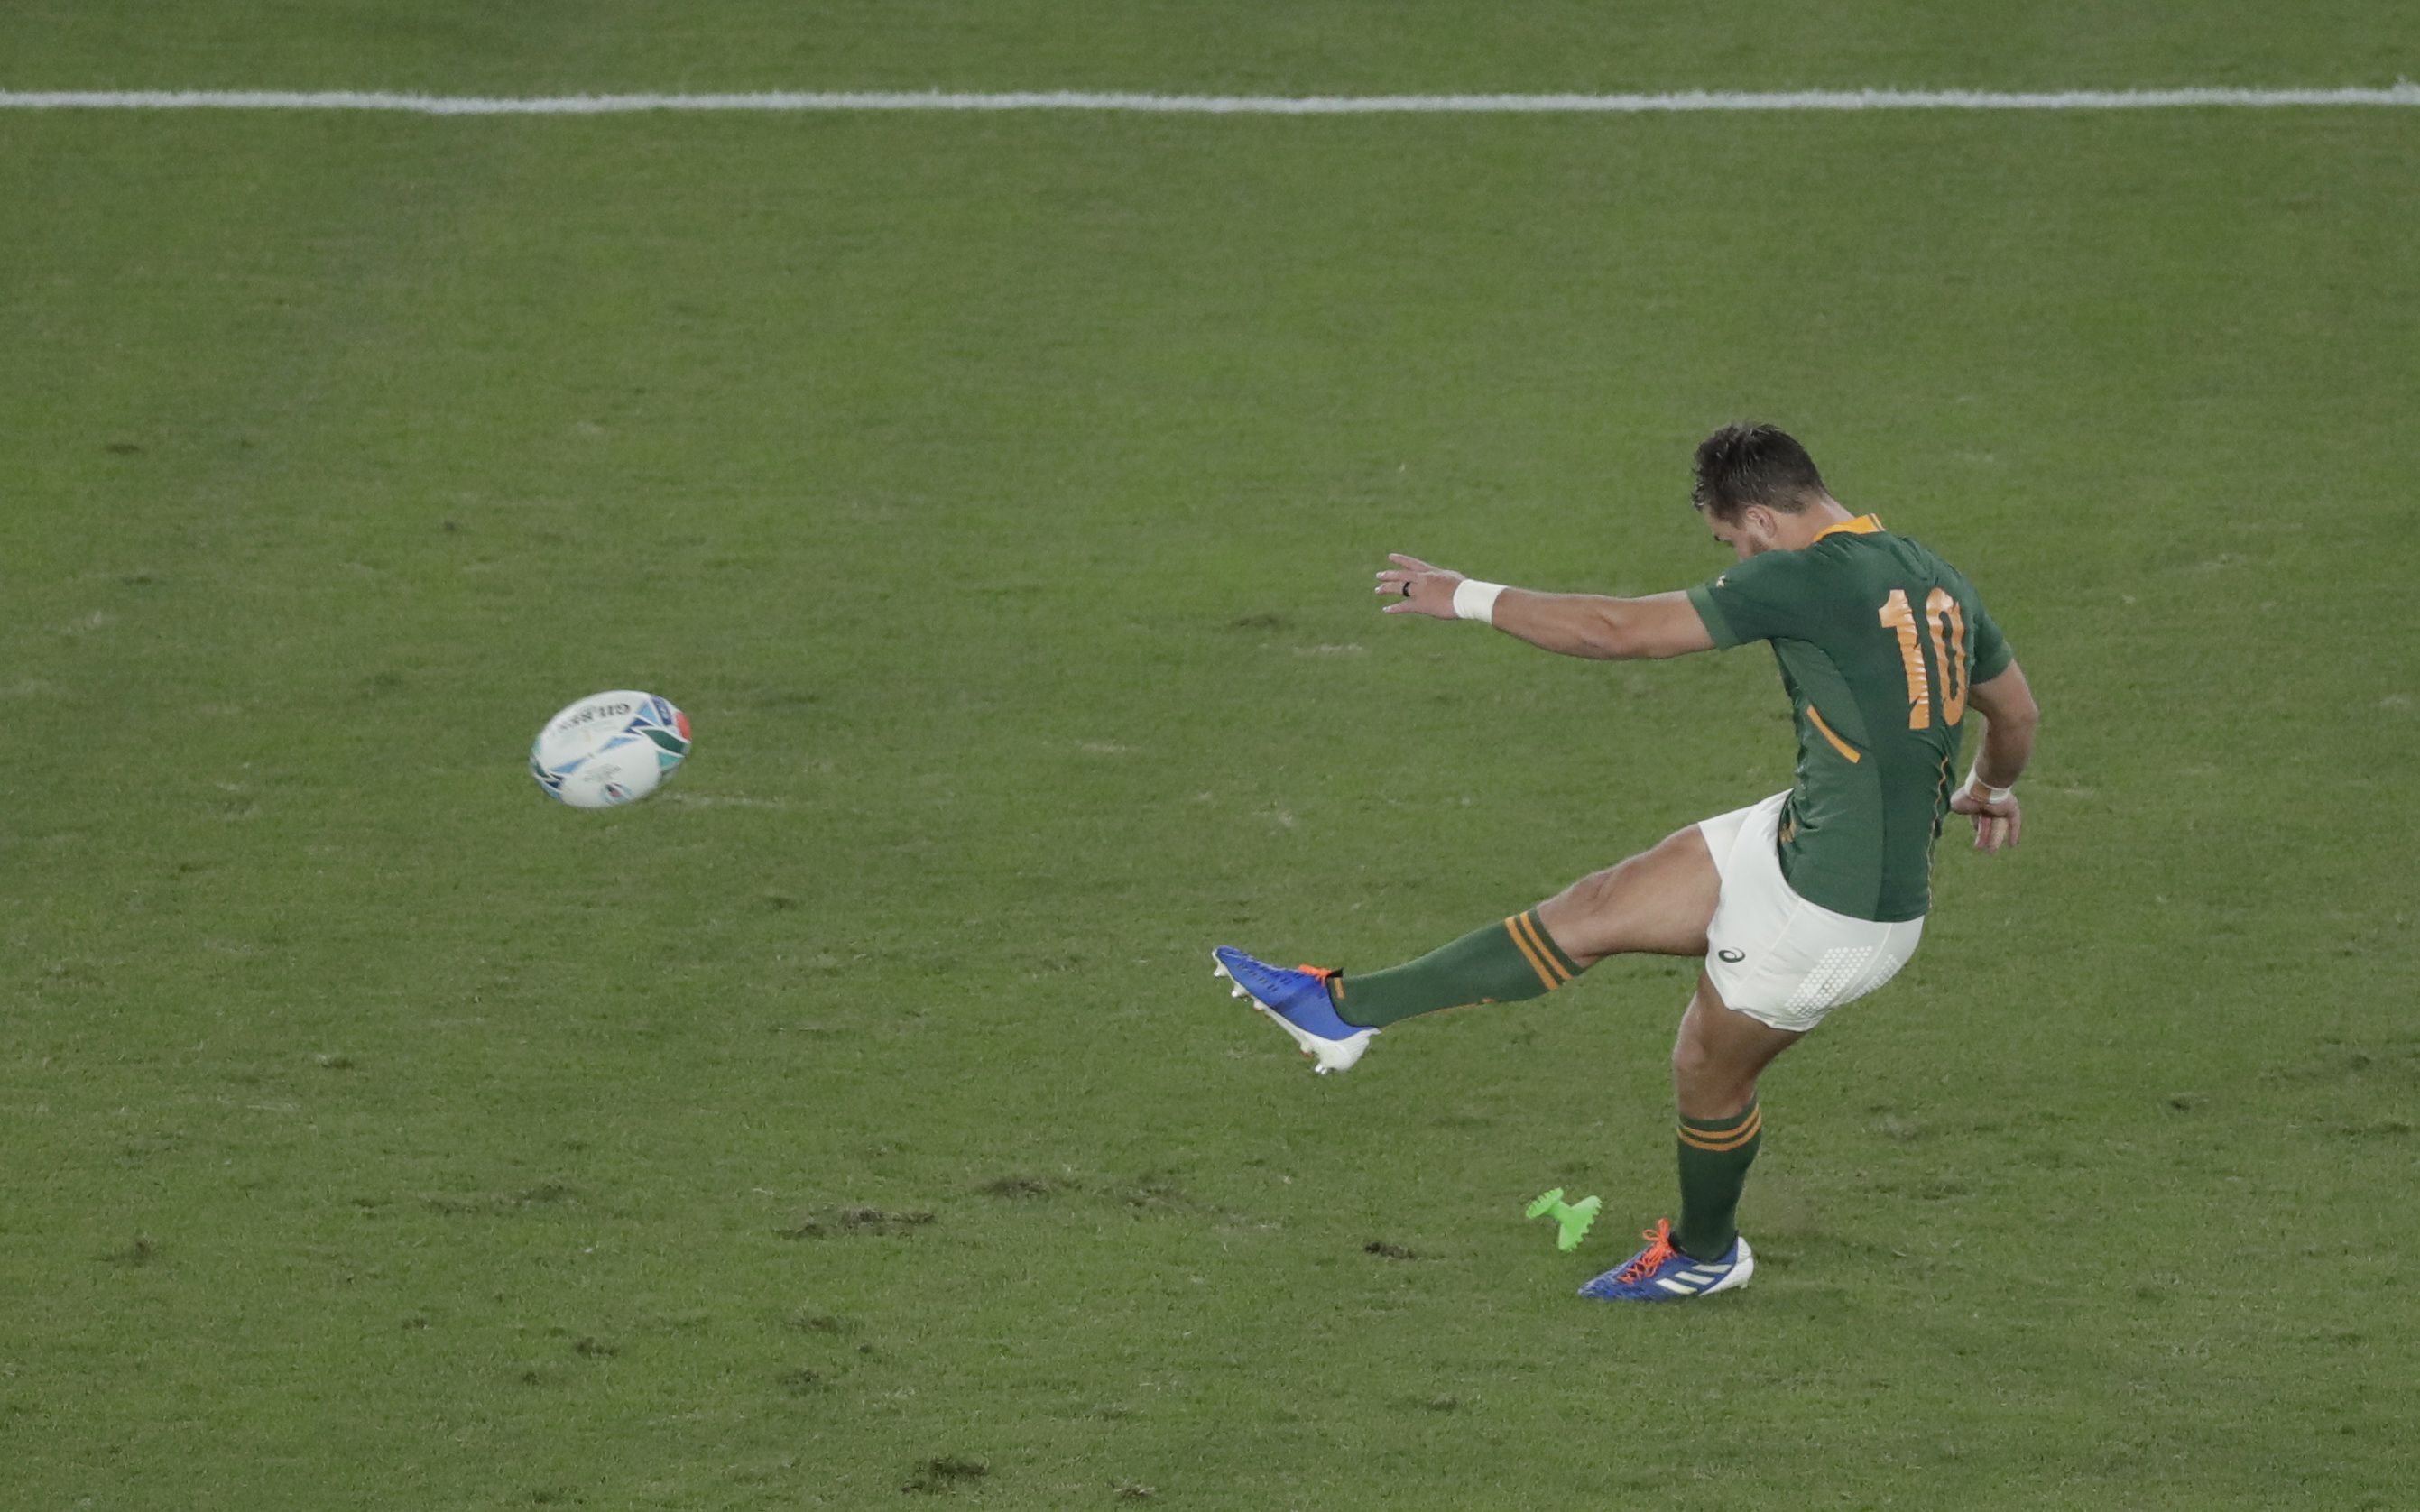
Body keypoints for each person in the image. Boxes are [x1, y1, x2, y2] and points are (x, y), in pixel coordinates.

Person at [1212, 423, 2037, 1302]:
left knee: (1708, 1068)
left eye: (1727, 540)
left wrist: (1465, 595)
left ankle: (1708, 1251)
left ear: (1758, 518)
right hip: (1799, 836)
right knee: (1597, 905)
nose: (1730, 555)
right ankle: (1340, 1012)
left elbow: (1615, 631)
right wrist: (1987, 785)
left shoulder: (1803, 575)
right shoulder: (1932, 574)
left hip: (1838, 914)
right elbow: (2015, 714)